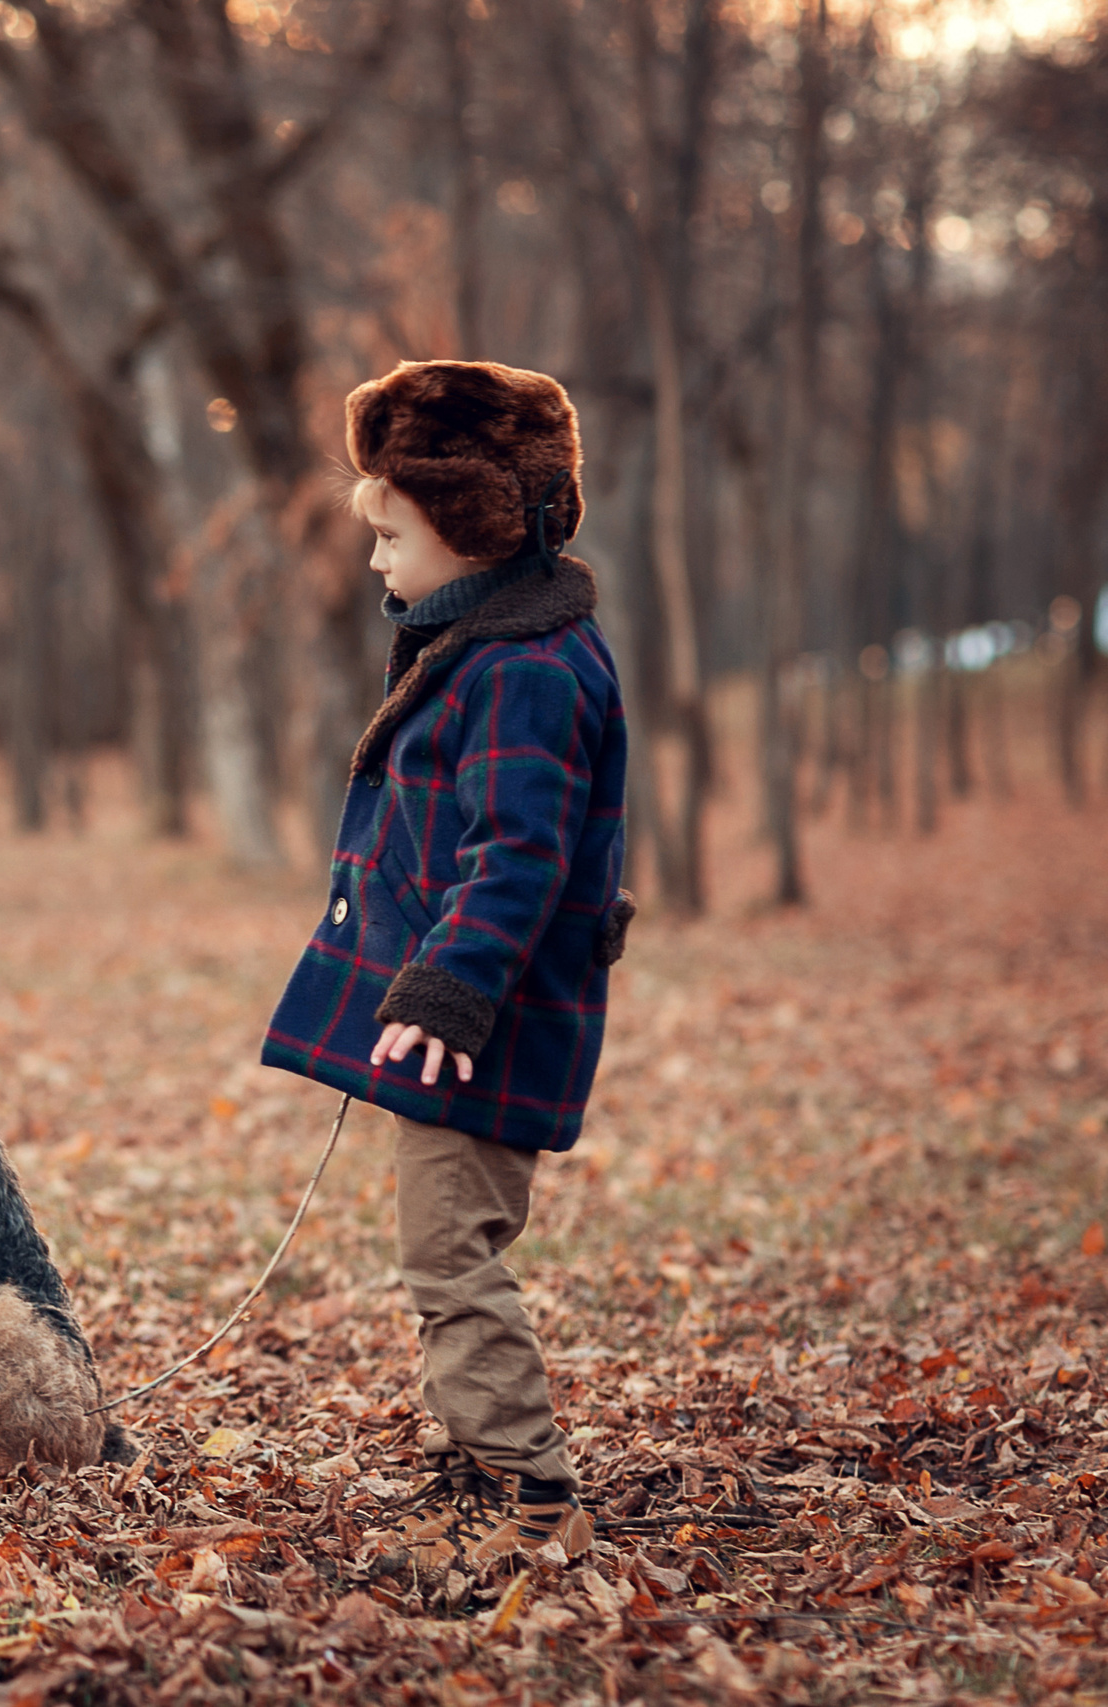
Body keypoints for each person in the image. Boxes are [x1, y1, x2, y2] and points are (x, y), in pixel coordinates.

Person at [262, 361, 634, 1570]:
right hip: (465, 1019)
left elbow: (516, 855)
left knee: (444, 1257)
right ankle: (478, 1470)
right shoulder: (481, 644)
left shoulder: (522, 670)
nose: (374, 558)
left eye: (391, 533)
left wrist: (449, 987)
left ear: (468, 528)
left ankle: (530, 1496)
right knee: (444, 1248)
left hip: (488, 1021)